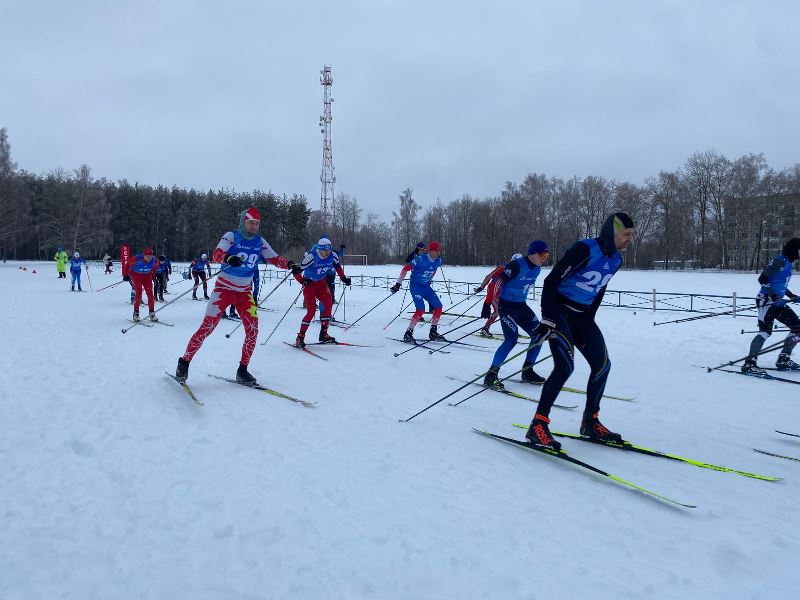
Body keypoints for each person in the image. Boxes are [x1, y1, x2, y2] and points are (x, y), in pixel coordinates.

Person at [523, 212, 635, 450]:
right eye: (627, 234)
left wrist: (589, 321)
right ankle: (538, 425)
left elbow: (599, 290)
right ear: (613, 232)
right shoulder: (585, 249)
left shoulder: (616, 260)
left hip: (583, 317)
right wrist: (548, 317)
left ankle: (590, 422)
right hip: (559, 311)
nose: (630, 239)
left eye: (632, 235)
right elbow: (551, 281)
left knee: (603, 366)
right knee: (565, 366)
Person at [176, 208, 296, 384]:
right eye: (250, 223)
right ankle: (184, 362)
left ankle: (243, 370)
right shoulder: (231, 236)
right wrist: (228, 258)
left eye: (257, 224)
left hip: (244, 293)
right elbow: (217, 254)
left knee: (253, 330)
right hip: (223, 290)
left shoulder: (259, 242)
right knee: (207, 328)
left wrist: (291, 264)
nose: (254, 227)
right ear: (243, 222)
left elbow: (275, 259)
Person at [483, 244, 549, 389]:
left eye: (547, 256)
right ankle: (491, 375)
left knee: (539, 335)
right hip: (507, 307)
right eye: (543, 255)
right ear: (533, 254)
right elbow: (496, 283)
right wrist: (487, 304)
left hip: (521, 306)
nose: (545, 258)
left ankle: (527, 371)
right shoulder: (516, 265)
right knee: (511, 340)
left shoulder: (537, 269)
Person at [741, 237, 800, 374]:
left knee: (798, 327)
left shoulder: (788, 263)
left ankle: (783, 359)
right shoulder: (780, 260)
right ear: (794, 249)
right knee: (765, 332)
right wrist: (773, 296)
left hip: (777, 302)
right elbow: (762, 279)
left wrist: (791, 295)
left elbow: (778, 283)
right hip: (766, 301)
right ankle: (749, 364)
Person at [292, 237, 351, 348]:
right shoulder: (312, 257)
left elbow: (338, 267)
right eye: (325, 250)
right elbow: (296, 271)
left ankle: (323, 334)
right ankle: (300, 337)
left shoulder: (332, 255)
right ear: (319, 249)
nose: (327, 252)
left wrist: (343, 278)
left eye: (329, 250)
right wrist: (302, 280)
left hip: (322, 284)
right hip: (310, 285)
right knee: (311, 311)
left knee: (328, 304)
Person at [390, 240, 445, 343]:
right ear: (431, 251)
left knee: (438, 307)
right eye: (437, 251)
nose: (439, 253)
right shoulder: (420, 259)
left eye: (439, 251)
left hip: (426, 287)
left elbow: (434, 270)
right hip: (415, 287)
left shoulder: (438, 260)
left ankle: (433, 332)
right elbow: (405, 269)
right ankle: (408, 333)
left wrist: (429, 280)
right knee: (420, 310)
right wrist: (398, 284)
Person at [475, 253, 523, 337]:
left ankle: (512, 330)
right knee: (498, 311)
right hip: (493, 291)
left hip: (503, 293)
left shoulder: (519, 271)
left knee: (511, 310)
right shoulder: (503, 267)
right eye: (516, 262)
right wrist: (482, 287)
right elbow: (489, 276)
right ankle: (485, 329)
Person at [123, 247, 159, 321]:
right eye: (147, 256)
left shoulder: (155, 261)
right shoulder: (137, 258)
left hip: (147, 276)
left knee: (150, 294)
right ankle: (136, 314)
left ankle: (152, 313)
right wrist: (125, 275)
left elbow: (155, 268)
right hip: (136, 276)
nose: (149, 258)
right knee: (138, 293)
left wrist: (153, 275)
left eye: (150, 256)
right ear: (143, 255)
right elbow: (127, 265)